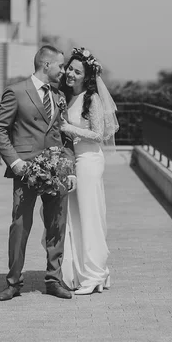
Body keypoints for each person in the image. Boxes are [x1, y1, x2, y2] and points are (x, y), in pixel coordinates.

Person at [0, 45, 77, 301]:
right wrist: (15, 162)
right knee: (20, 225)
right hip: (26, 170)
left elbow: (65, 135)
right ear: (46, 65)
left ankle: (53, 280)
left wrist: (70, 168)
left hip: (57, 169)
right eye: (61, 66)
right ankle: (13, 282)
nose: (64, 71)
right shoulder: (16, 92)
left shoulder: (59, 95)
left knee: (57, 226)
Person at [57, 47, 119, 295]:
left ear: (87, 76)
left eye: (77, 71)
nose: (71, 73)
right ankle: (81, 272)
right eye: (69, 68)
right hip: (74, 162)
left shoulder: (91, 99)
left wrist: (68, 128)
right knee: (75, 218)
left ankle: (95, 273)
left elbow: (99, 134)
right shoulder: (68, 96)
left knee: (90, 216)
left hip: (89, 161)